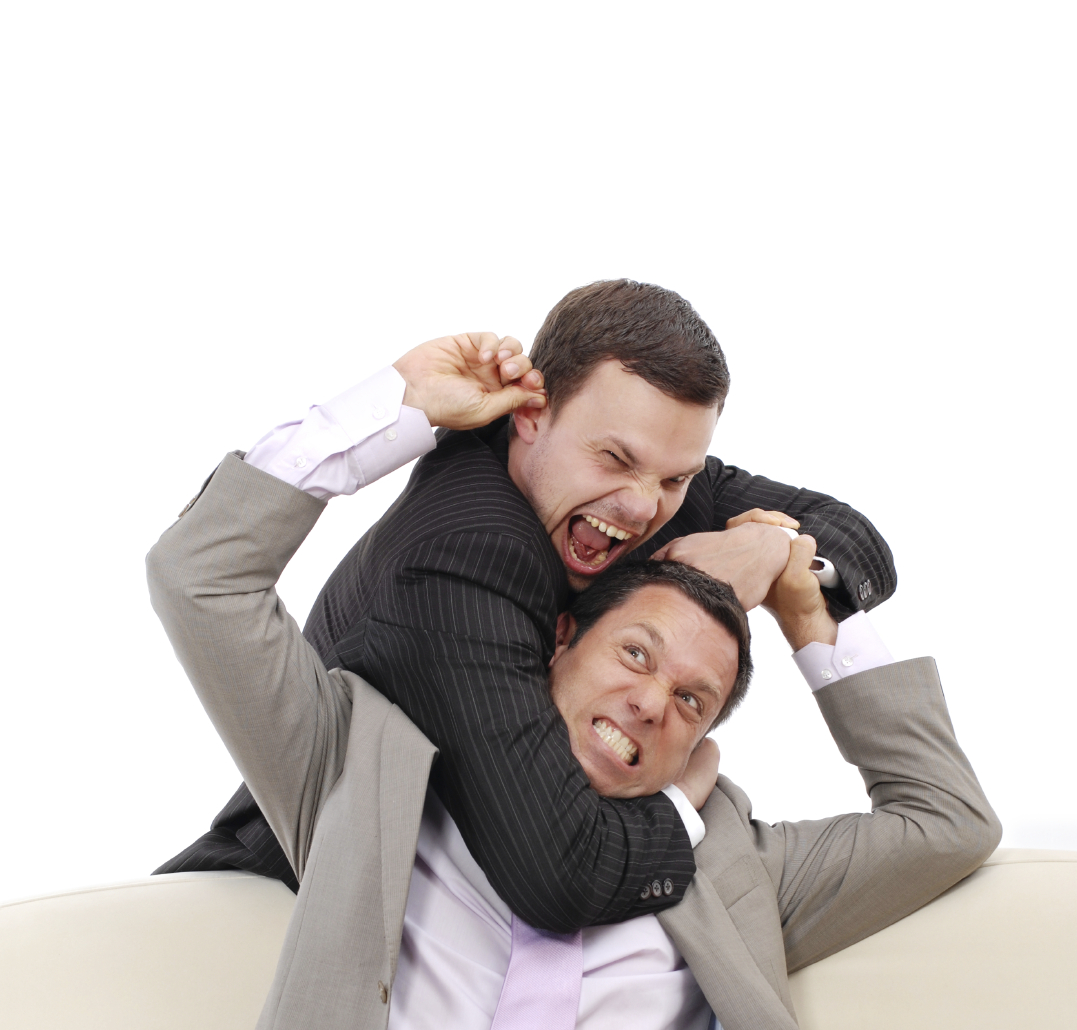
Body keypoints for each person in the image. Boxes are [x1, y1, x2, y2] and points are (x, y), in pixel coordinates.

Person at [65, 354, 999, 1030]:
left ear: (706, 735)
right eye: (634, 654)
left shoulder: (734, 869)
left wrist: (809, 618)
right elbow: (199, 577)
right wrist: (398, 409)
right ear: (557, 643)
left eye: (690, 699)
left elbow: (946, 818)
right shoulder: (358, 779)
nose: (650, 702)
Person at [157, 282, 897, 930]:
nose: (644, 507)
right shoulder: (464, 550)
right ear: (531, 414)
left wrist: (770, 554)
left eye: (675, 478)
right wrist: (682, 799)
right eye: (614, 459)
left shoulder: (653, 485)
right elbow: (562, 873)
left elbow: (862, 546)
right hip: (287, 920)